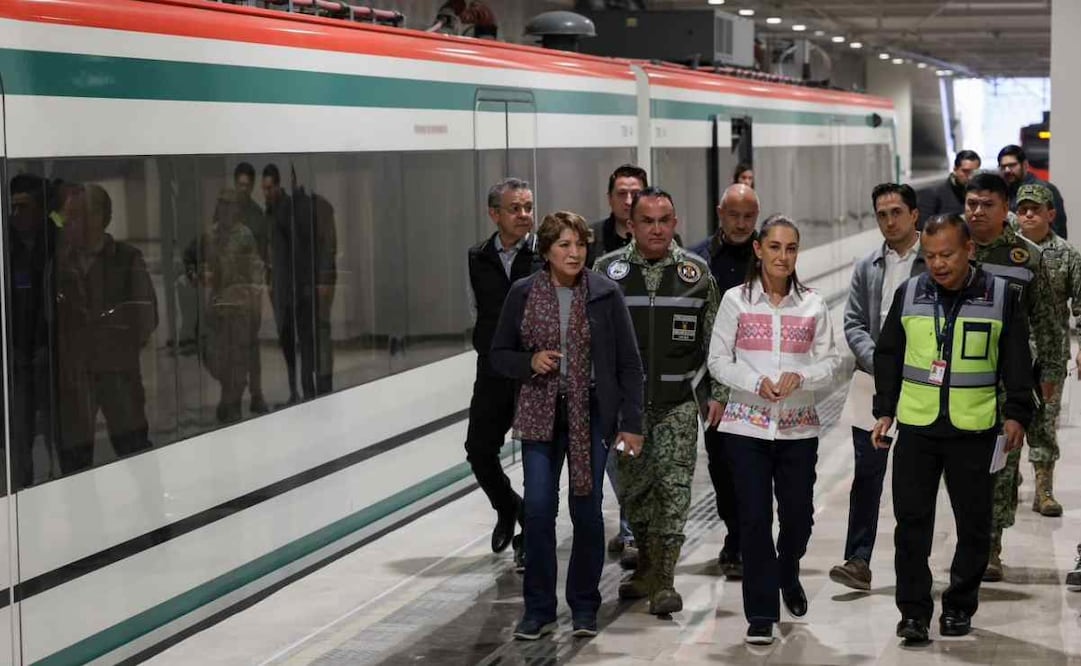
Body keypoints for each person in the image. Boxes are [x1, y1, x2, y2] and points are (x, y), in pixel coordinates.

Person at [872, 214, 1034, 645]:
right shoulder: (910, 293)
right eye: (929, 256)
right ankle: (913, 612)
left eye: (946, 254)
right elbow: (888, 354)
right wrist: (884, 410)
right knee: (911, 524)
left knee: (975, 526)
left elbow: (1016, 358)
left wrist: (1017, 412)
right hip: (918, 428)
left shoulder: (999, 296)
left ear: (970, 251)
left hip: (974, 428)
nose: (938, 264)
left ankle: (960, 606)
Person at [490, 211, 644, 641]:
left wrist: (632, 423)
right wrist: (529, 362)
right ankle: (538, 610)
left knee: (587, 511)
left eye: (580, 244)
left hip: (592, 414)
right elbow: (498, 354)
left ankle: (583, 606)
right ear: (547, 250)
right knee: (538, 511)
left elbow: (629, 364)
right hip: (540, 415)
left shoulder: (604, 293)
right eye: (564, 245)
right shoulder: (523, 294)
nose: (575, 253)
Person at [707, 214, 839, 645]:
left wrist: (802, 378)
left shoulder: (814, 303)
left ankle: (789, 569)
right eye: (776, 247)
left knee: (798, 517)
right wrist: (753, 381)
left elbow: (832, 361)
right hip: (745, 428)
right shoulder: (735, 301)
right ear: (759, 250)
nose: (784, 256)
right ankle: (760, 613)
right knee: (755, 519)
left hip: (798, 430)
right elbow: (718, 361)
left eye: (792, 248)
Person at [594, 187, 724, 616]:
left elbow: (715, 346)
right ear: (631, 225)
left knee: (673, 490)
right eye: (646, 221)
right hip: (624, 411)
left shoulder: (697, 274)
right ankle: (646, 568)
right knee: (635, 494)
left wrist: (715, 398)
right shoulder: (605, 272)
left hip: (676, 406)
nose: (656, 229)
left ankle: (664, 580)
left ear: (675, 222)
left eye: (664, 220)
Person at [964, 172, 1065, 581]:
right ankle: (970, 537)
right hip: (961, 381)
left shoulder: (1026, 257)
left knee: (1001, 467)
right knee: (963, 468)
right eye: (972, 203)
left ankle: (991, 546)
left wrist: (1051, 374)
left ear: (1005, 209)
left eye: (988, 204)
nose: (977, 212)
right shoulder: (952, 249)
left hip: (1009, 381)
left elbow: (1046, 321)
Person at [830, 183, 926, 591]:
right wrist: (881, 363)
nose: (889, 221)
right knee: (867, 475)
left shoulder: (932, 261)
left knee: (917, 480)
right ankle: (858, 560)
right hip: (873, 384)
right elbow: (853, 322)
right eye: (882, 214)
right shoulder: (867, 266)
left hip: (924, 385)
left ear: (914, 214)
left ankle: (915, 563)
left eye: (896, 212)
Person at [53, 184, 158, 473]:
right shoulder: (61, 265)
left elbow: (146, 317)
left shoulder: (126, 259)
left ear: (98, 218)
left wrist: (117, 353)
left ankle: (153, 516)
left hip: (118, 378)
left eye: (75, 217)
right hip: (76, 382)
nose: (67, 224)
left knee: (135, 455)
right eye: (67, 217)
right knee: (74, 465)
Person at [466, 178, 543, 568]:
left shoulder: (544, 254)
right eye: (515, 208)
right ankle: (510, 508)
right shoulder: (478, 256)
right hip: (494, 368)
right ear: (494, 214)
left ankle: (531, 535)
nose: (525, 215)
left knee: (535, 453)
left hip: (535, 371)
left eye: (528, 207)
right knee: (478, 450)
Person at [689, 183, 760, 580]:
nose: (741, 223)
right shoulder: (699, 259)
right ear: (720, 213)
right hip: (714, 382)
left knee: (755, 464)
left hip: (756, 379)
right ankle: (735, 532)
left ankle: (749, 536)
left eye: (749, 216)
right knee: (722, 463)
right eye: (734, 215)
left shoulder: (767, 254)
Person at [587, 164, 649, 568]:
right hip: (606, 371)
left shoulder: (661, 238)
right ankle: (630, 529)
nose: (628, 201)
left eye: (635, 194)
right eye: (622, 193)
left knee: (634, 456)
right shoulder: (592, 244)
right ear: (610, 197)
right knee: (616, 457)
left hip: (645, 367)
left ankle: (632, 533)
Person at [1014, 183, 1081, 516]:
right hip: (1010, 354)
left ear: (1050, 214)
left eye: (1035, 209)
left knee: (1044, 424)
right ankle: (1006, 484)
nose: (1028, 214)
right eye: (1023, 209)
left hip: (1050, 355)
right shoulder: (1006, 249)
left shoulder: (1068, 254)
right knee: (1006, 423)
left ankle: (1044, 490)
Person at [194, 188, 264, 424]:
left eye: (230, 205)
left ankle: (231, 402)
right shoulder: (210, 235)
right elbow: (196, 262)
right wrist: (199, 274)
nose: (225, 209)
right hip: (217, 305)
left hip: (240, 305)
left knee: (238, 357)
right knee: (214, 356)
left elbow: (255, 268)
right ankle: (230, 394)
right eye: (222, 204)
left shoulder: (244, 235)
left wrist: (255, 298)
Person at [8, 174, 57, 486]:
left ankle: (61, 483)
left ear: (39, 209)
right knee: (20, 432)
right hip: (15, 356)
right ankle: (24, 491)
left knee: (56, 431)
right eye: (12, 207)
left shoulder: (56, 242)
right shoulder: (5, 245)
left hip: (49, 356)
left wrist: (47, 345)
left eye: (23, 207)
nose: (15, 214)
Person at [234, 162, 270, 413]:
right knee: (234, 343)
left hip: (251, 288)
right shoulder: (226, 211)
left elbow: (263, 253)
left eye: (248, 185)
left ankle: (256, 393)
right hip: (232, 288)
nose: (244, 189)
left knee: (251, 343)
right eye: (241, 184)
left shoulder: (257, 215)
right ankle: (236, 392)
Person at [999, 145, 1068, 239]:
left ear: (1025, 165)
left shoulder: (1045, 189)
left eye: (1012, 165)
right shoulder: (1003, 192)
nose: (1007, 170)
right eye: (1003, 166)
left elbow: (1058, 229)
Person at [918, 150, 980, 226]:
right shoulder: (934, 193)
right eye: (965, 171)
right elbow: (923, 227)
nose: (970, 177)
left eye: (974, 172)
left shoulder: (980, 193)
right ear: (955, 169)